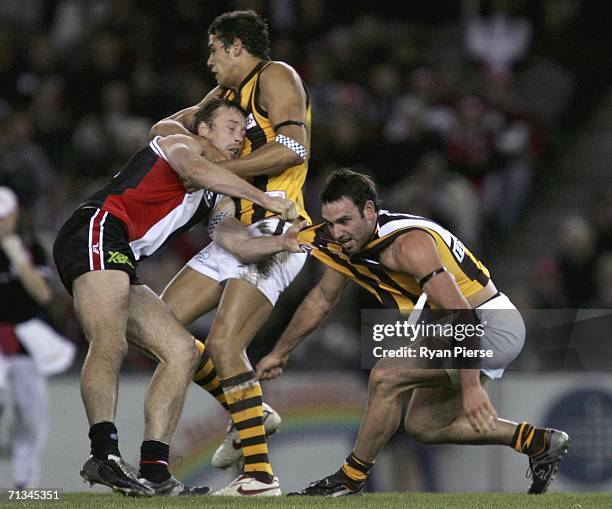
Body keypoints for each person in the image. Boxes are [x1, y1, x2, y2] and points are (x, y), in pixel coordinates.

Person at [256, 168, 571, 496]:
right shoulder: (346, 244)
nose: (336, 233)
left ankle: (349, 479)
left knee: (384, 377)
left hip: (489, 324)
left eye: (345, 221)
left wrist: (471, 388)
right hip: (457, 327)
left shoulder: (408, 244)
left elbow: (462, 313)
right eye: (331, 223)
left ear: (369, 211)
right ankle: (539, 442)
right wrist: (280, 351)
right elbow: (321, 299)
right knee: (424, 425)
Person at [52, 98, 298, 497]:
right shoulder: (180, 142)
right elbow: (195, 167)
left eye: (243, 132)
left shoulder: (216, 191)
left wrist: (278, 244)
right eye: (232, 127)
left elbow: (228, 236)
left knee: (182, 350)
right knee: (109, 338)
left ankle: (154, 472)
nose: (240, 138)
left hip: (121, 252)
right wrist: (266, 198)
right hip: (98, 227)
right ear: (204, 128)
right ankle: (104, 454)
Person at [151, 10, 311, 496]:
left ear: (236, 46)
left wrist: (226, 161)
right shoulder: (223, 98)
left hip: (276, 226)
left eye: (214, 50)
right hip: (231, 227)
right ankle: (250, 408)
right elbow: (166, 125)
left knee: (223, 345)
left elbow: (294, 145)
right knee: (158, 325)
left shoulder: (275, 75)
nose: (209, 60)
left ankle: (260, 476)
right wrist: (188, 142)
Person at [0, 187, 74, 489]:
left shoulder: (30, 246)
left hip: (26, 342)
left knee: (31, 419)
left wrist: (18, 259)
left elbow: (44, 295)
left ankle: (24, 486)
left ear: (14, 215)